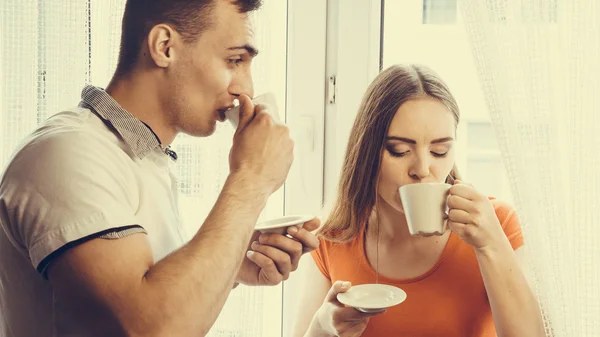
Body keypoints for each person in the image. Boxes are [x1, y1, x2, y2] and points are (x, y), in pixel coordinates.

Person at [0, 0, 319, 336]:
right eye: (234, 60)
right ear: (164, 47)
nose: (246, 89)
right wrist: (251, 179)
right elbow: (150, 328)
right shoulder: (67, 154)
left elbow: (150, 293)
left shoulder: (143, 157)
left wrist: (234, 260)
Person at [292, 64, 544, 337]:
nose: (422, 169)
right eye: (399, 151)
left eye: (439, 151)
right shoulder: (334, 238)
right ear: (365, 151)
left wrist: (490, 245)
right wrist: (322, 328)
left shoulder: (497, 223)